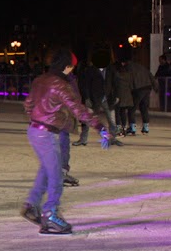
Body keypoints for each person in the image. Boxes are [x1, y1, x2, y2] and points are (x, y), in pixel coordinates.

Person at [21, 48, 113, 235]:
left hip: (35, 129)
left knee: (47, 170)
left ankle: (32, 204)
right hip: (46, 133)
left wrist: (38, 117)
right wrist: (100, 127)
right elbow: (78, 109)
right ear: (68, 66)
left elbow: (28, 104)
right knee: (56, 175)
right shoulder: (60, 85)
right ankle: (50, 215)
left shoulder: (41, 79)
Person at [129, 57, 157, 134]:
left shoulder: (129, 68)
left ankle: (132, 127)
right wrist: (155, 88)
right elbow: (151, 76)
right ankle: (146, 127)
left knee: (132, 108)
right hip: (147, 88)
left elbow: (129, 80)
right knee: (144, 107)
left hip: (138, 88)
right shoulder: (142, 68)